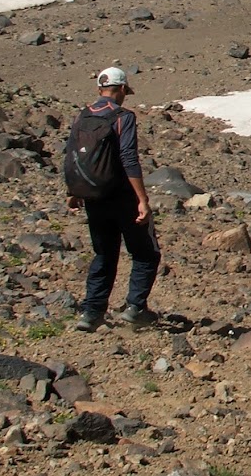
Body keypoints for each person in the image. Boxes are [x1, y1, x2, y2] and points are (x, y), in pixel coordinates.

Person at [67, 66, 161, 330]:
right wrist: (142, 198)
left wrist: (73, 191)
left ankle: (91, 313)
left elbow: (72, 154)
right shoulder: (123, 117)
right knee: (145, 253)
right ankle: (135, 309)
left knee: (104, 254)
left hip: (94, 197)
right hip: (123, 197)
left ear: (99, 89)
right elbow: (128, 158)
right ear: (121, 89)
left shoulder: (82, 116)